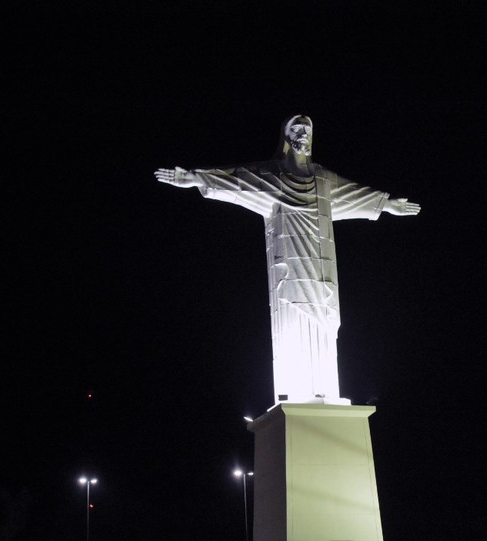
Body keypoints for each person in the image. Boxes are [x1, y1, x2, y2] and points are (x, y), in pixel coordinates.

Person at [155, 115, 420, 405]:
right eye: (296, 128)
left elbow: (354, 195)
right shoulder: (273, 175)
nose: (302, 133)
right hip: (289, 269)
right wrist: (197, 178)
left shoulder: (323, 179)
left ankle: (325, 393)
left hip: (321, 271)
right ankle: (298, 392)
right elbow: (239, 180)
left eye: (307, 129)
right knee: (293, 319)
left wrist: (386, 204)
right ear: (285, 137)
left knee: (324, 322)